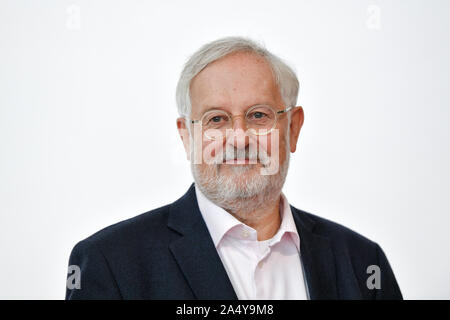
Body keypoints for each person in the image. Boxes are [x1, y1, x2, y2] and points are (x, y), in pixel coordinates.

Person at [66, 36, 402, 300]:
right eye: (216, 119)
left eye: (258, 115)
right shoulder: (110, 262)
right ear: (187, 137)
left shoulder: (362, 262)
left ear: (293, 129)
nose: (239, 139)